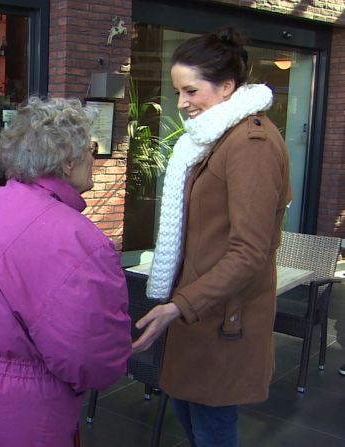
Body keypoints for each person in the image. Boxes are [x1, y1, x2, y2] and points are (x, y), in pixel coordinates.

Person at [0, 97, 132, 446]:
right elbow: (94, 359)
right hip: (12, 420)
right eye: (89, 149)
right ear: (67, 161)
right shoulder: (77, 241)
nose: (94, 158)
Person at [132, 28, 292, 447]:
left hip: (221, 316)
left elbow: (249, 251)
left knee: (211, 429)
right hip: (199, 310)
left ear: (226, 87)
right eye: (178, 92)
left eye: (190, 91)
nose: (182, 103)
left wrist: (179, 305)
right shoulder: (214, 138)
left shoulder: (249, 143)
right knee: (191, 414)